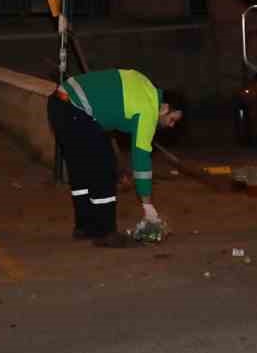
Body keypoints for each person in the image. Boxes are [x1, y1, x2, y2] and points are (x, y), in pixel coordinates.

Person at [47, 69, 183, 246]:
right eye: (172, 119)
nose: (171, 126)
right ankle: (105, 232)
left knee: (82, 170)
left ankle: (85, 227)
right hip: (76, 111)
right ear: (164, 108)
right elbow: (141, 159)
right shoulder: (149, 108)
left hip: (58, 104)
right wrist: (147, 205)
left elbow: (111, 107)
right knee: (103, 169)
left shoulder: (143, 83)